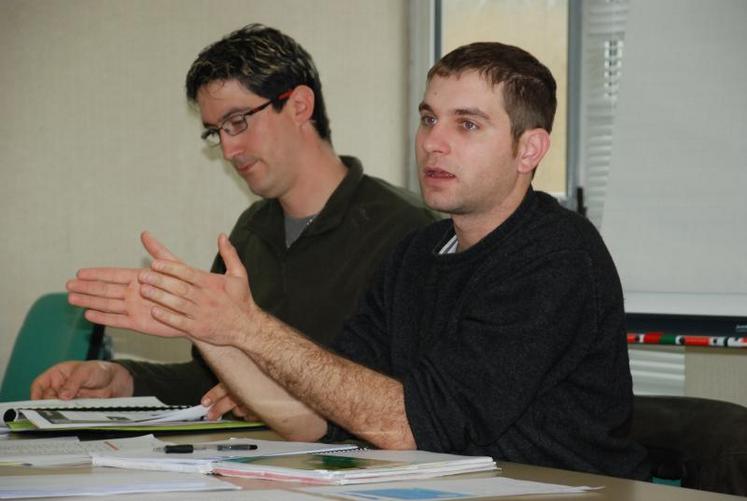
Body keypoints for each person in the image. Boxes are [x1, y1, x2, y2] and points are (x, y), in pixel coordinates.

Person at [59, 41, 650, 479]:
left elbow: (412, 426)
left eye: (467, 124)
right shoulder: (417, 254)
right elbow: (316, 419)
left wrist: (249, 327)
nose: (433, 142)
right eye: (428, 119)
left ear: (530, 149)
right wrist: (209, 330)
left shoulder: (557, 255)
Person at [30, 24, 434, 416]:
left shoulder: (410, 230)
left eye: (238, 122)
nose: (228, 149)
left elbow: (413, 401)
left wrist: (274, 402)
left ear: (298, 106)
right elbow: (209, 382)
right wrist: (121, 380)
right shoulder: (251, 232)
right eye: (215, 132)